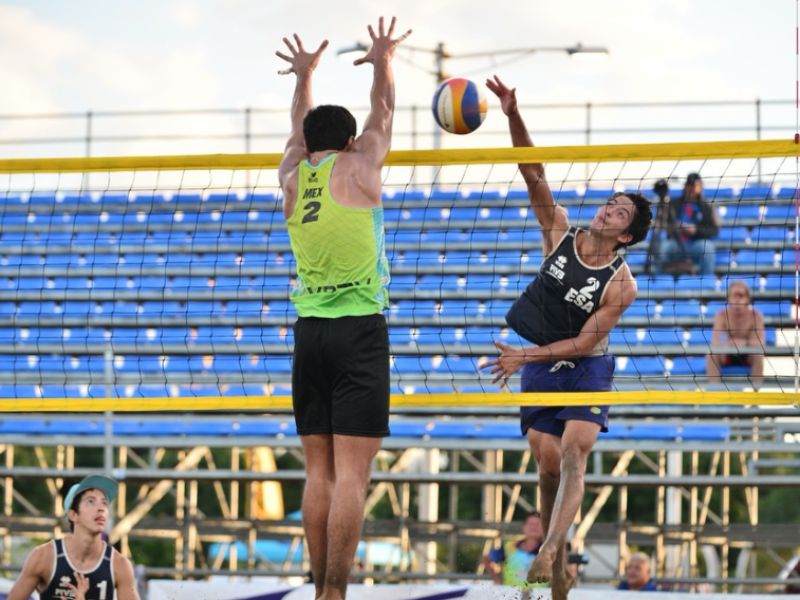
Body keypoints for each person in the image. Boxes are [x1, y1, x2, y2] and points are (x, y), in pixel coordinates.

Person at [482, 75, 652, 600]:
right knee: (548, 462)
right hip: (537, 359)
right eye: (611, 202)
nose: (607, 208)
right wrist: (512, 113)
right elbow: (533, 172)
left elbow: (582, 344)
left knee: (576, 453)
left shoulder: (623, 284)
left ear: (625, 234)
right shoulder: (560, 231)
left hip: (584, 363)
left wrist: (525, 356)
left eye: (619, 211)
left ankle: (553, 550)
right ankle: (554, 564)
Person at [275, 16, 411, 600]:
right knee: (354, 474)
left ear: (308, 144)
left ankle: (317, 590)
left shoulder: (289, 176)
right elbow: (384, 113)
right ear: (349, 143)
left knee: (320, 473)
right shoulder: (360, 166)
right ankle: (335, 592)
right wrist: (382, 61)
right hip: (358, 328)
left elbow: (295, 131)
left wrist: (303, 77)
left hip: (310, 333)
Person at [8, 474, 140, 600]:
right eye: (91, 501)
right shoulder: (44, 557)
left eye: (104, 503)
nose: (101, 508)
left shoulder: (119, 565)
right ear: (73, 515)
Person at [657, 173, 719, 275]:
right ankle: (660, 282)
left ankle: (706, 284)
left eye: (694, 186)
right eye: (689, 186)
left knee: (708, 248)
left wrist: (695, 230)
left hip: (695, 244)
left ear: (700, 188)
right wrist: (675, 228)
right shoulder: (673, 203)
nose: (691, 189)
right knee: (662, 247)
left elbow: (713, 230)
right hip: (675, 244)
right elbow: (663, 224)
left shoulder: (706, 207)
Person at [706, 279, 765, 387]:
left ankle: (756, 394)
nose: (737, 300)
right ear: (729, 298)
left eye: (741, 296)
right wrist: (727, 344)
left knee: (758, 353)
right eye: (734, 296)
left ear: (747, 299)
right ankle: (715, 394)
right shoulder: (721, 315)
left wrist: (744, 343)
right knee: (711, 354)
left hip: (748, 355)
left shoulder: (756, 316)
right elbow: (715, 342)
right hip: (727, 354)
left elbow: (760, 343)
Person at [482, 512, 545, 587]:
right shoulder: (510, 547)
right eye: (530, 524)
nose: (534, 527)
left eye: (538, 524)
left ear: (544, 527)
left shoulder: (549, 551)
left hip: (541, 596)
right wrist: (497, 579)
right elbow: (487, 558)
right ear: (524, 527)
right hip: (510, 595)